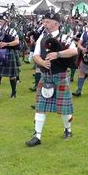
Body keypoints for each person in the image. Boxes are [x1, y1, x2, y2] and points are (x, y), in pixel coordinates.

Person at [25, 11, 78, 147]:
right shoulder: (42, 37)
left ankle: (68, 129)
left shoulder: (65, 36)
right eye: (44, 21)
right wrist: (41, 63)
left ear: (56, 23)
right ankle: (37, 135)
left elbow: (74, 51)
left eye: (47, 22)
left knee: (63, 109)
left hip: (59, 76)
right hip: (45, 77)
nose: (44, 24)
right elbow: (36, 55)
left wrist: (58, 54)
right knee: (40, 107)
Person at [0, 13, 21, 98]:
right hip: (0, 53)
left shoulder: (11, 30)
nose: (0, 22)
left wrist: (6, 44)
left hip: (9, 52)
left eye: (1, 21)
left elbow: (17, 42)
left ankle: (14, 92)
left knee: (12, 75)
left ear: (6, 22)